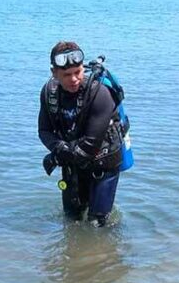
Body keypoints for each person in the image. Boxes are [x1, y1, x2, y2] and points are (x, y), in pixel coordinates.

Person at [38, 41, 124, 227]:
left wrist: (56, 157)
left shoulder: (100, 94)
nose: (74, 79)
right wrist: (58, 147)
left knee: (98, 224)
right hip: (73, 162)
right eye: (66, 75)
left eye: (78, 72)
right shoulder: (49, 93)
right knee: (71, 219)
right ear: (54, 73)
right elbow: (44, 131)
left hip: (103, 161)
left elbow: (90, 145)